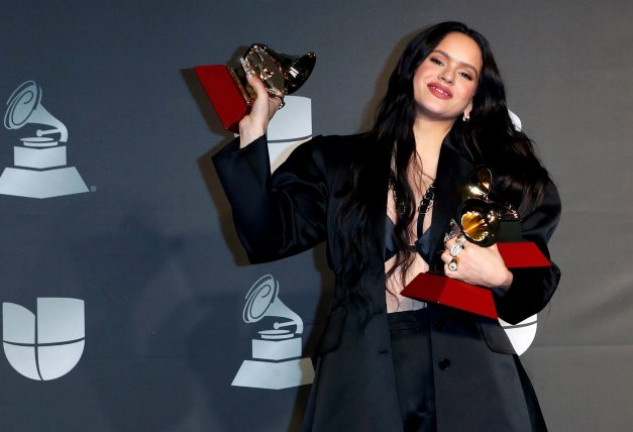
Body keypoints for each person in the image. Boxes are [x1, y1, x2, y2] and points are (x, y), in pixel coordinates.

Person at [213, 21, 561, 432]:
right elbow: (266, 236)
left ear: (472, 101)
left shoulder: (498, 182)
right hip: (360, 372)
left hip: (472, 376)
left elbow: (532, 278)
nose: (448, 75)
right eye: (438, 60)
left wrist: (499, 275)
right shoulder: (335, 161)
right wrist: (253, 132)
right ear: (412, 69)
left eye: (465, 73)